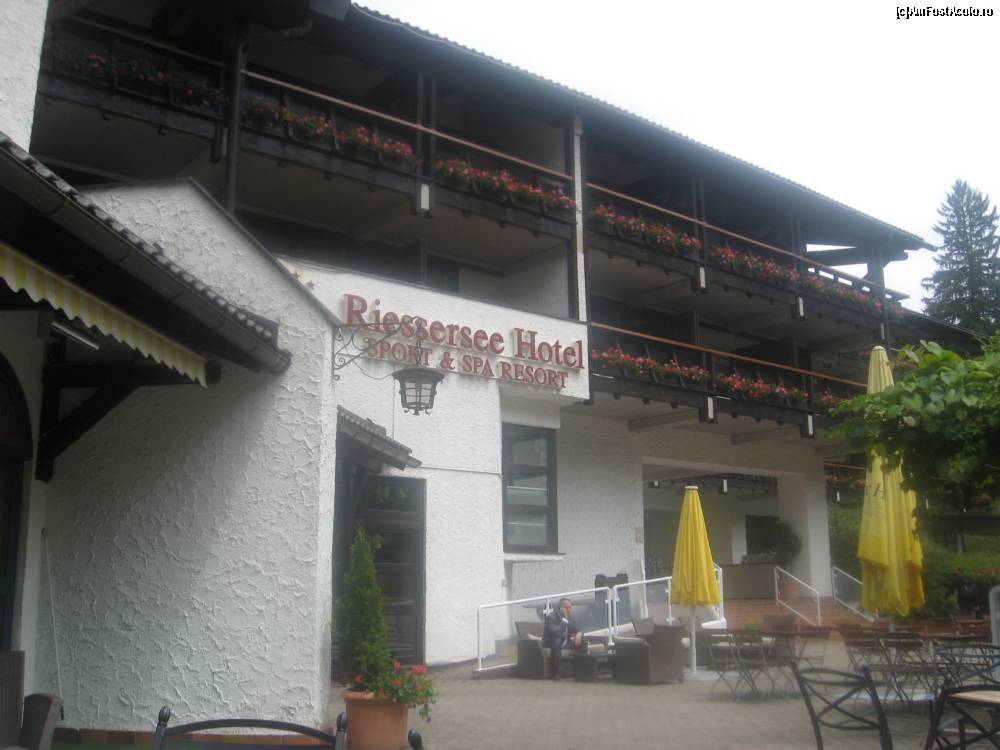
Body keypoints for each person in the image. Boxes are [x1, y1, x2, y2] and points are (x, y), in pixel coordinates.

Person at [542, 597, 587, 679]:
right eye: (566, 608)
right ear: (560, 608)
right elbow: (556, 633)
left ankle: (583, 670)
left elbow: (578, 629)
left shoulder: (571, 617)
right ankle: (556, 673)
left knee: (583, 639)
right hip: (551, 643)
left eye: (570, 607)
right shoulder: (551, 617)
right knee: (557, 640)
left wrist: (579, 634)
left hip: (566, 644)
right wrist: (565, 619)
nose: (569, 610)